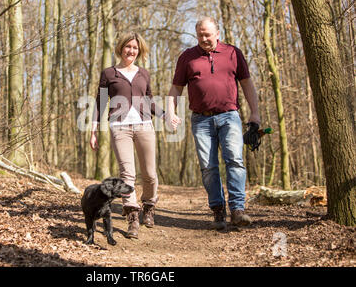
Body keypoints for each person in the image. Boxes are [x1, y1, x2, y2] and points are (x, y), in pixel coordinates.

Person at [166, 17, 260, 230]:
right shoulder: (187, 57)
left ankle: (238, 209)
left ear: (218, 33)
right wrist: (171, 112)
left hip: (229, 116)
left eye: (208, 34)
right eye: (200, 34)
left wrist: (255, 113)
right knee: (208, 167)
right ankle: (218, 209)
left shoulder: (233, 53)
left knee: (235, 160)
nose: (204, 38)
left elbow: (247, 84)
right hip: (201, 119)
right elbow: (176, 88)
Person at [90, 32, 164, 239]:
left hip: (145, 126)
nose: (131, 51)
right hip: (119, 127)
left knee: (150, 174)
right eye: (128, 47)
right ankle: (132, 216)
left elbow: (149, 100)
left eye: (135, 48)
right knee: (127, 173)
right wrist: (94, 130)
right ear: (121, 48)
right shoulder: (109, 73)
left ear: (139, 51)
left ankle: (149, 207)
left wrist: (166, 115)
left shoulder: (144, 74)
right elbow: (100, 102)